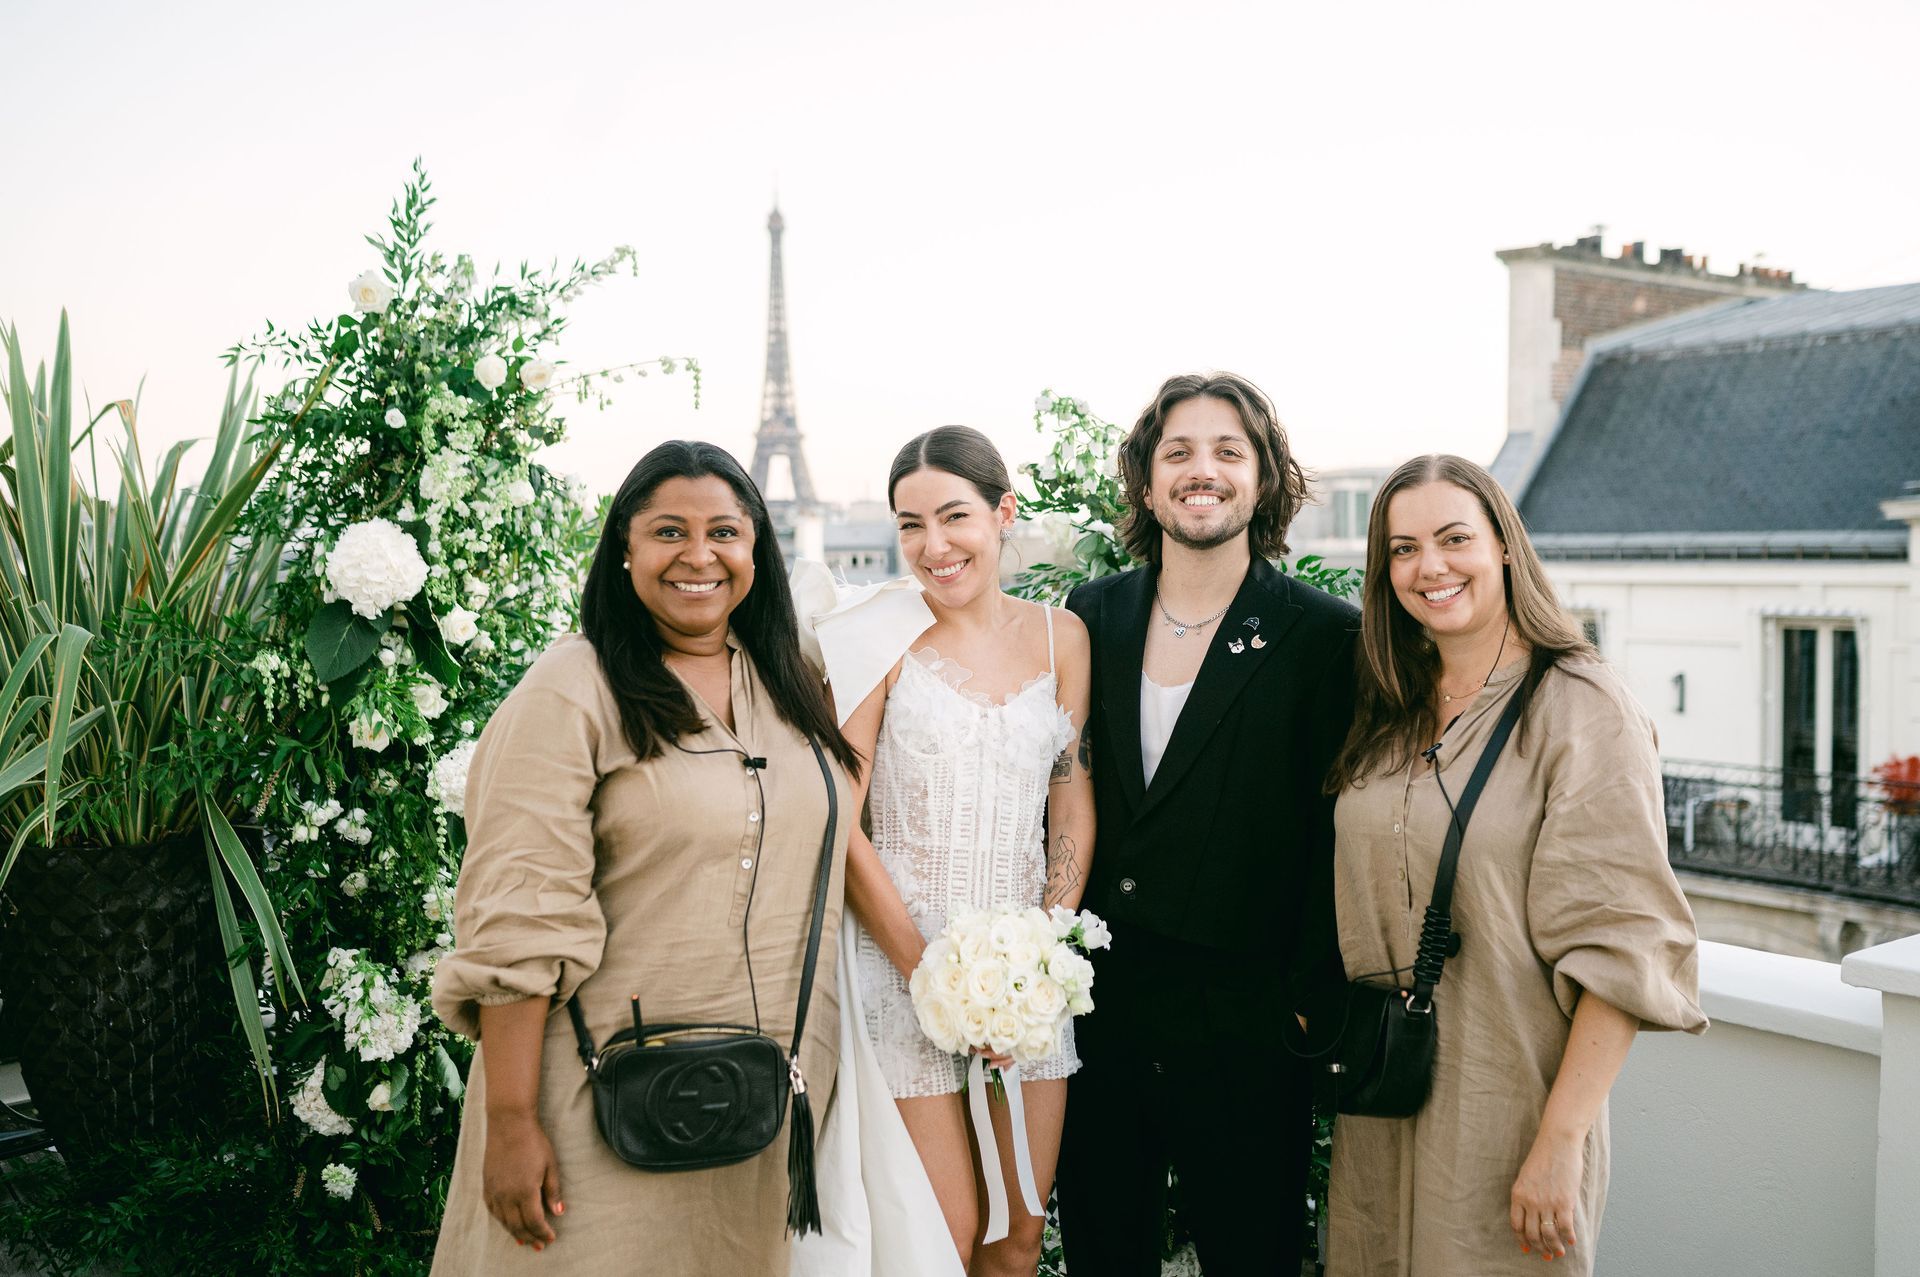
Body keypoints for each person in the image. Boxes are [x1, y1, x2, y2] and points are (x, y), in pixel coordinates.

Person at [428, 441, 859, 1276]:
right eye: (669, 531)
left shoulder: (791, 679)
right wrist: (511, 1119)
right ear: (624, 546)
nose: (699, 555)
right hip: (596, 1100)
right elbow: (518, 911)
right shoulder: (573, 687)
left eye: (724, 532)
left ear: (757, 548)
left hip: (757, 1103)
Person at [1322, 453, 1706, 1275]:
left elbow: (1623, 948)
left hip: (1511, 1116)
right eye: (1403, 548)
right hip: (1381, 1106)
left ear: (1503, 545)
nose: (1430, 566)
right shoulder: (1389, 703)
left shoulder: (1582, 706)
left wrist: (1561, 1142)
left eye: (1454, 538)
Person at [1055, 371, 1359, 1275]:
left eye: (1230, 451)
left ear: (1263, 480)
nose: (1203, 470)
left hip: (1247, 1029)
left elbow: (1338, 830)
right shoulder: (1090, 615)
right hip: (1101, 1015)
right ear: (1147, 483)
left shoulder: (1323, 636)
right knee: (1104, 1256)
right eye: (1178, 451)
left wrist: (1300, 1007)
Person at [809, 425, 1096, 1277]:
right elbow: (838, 817)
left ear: (1004, 513)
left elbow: (1071, 796)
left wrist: (1045, 950)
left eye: (954, 516)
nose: (933, 545)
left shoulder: (1064, 638)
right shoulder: (875, 637)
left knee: (1016, 1242)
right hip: (900, 975)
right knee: (943, 1237)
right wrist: (928, 972)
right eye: (911, 524)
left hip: (1023, 985)